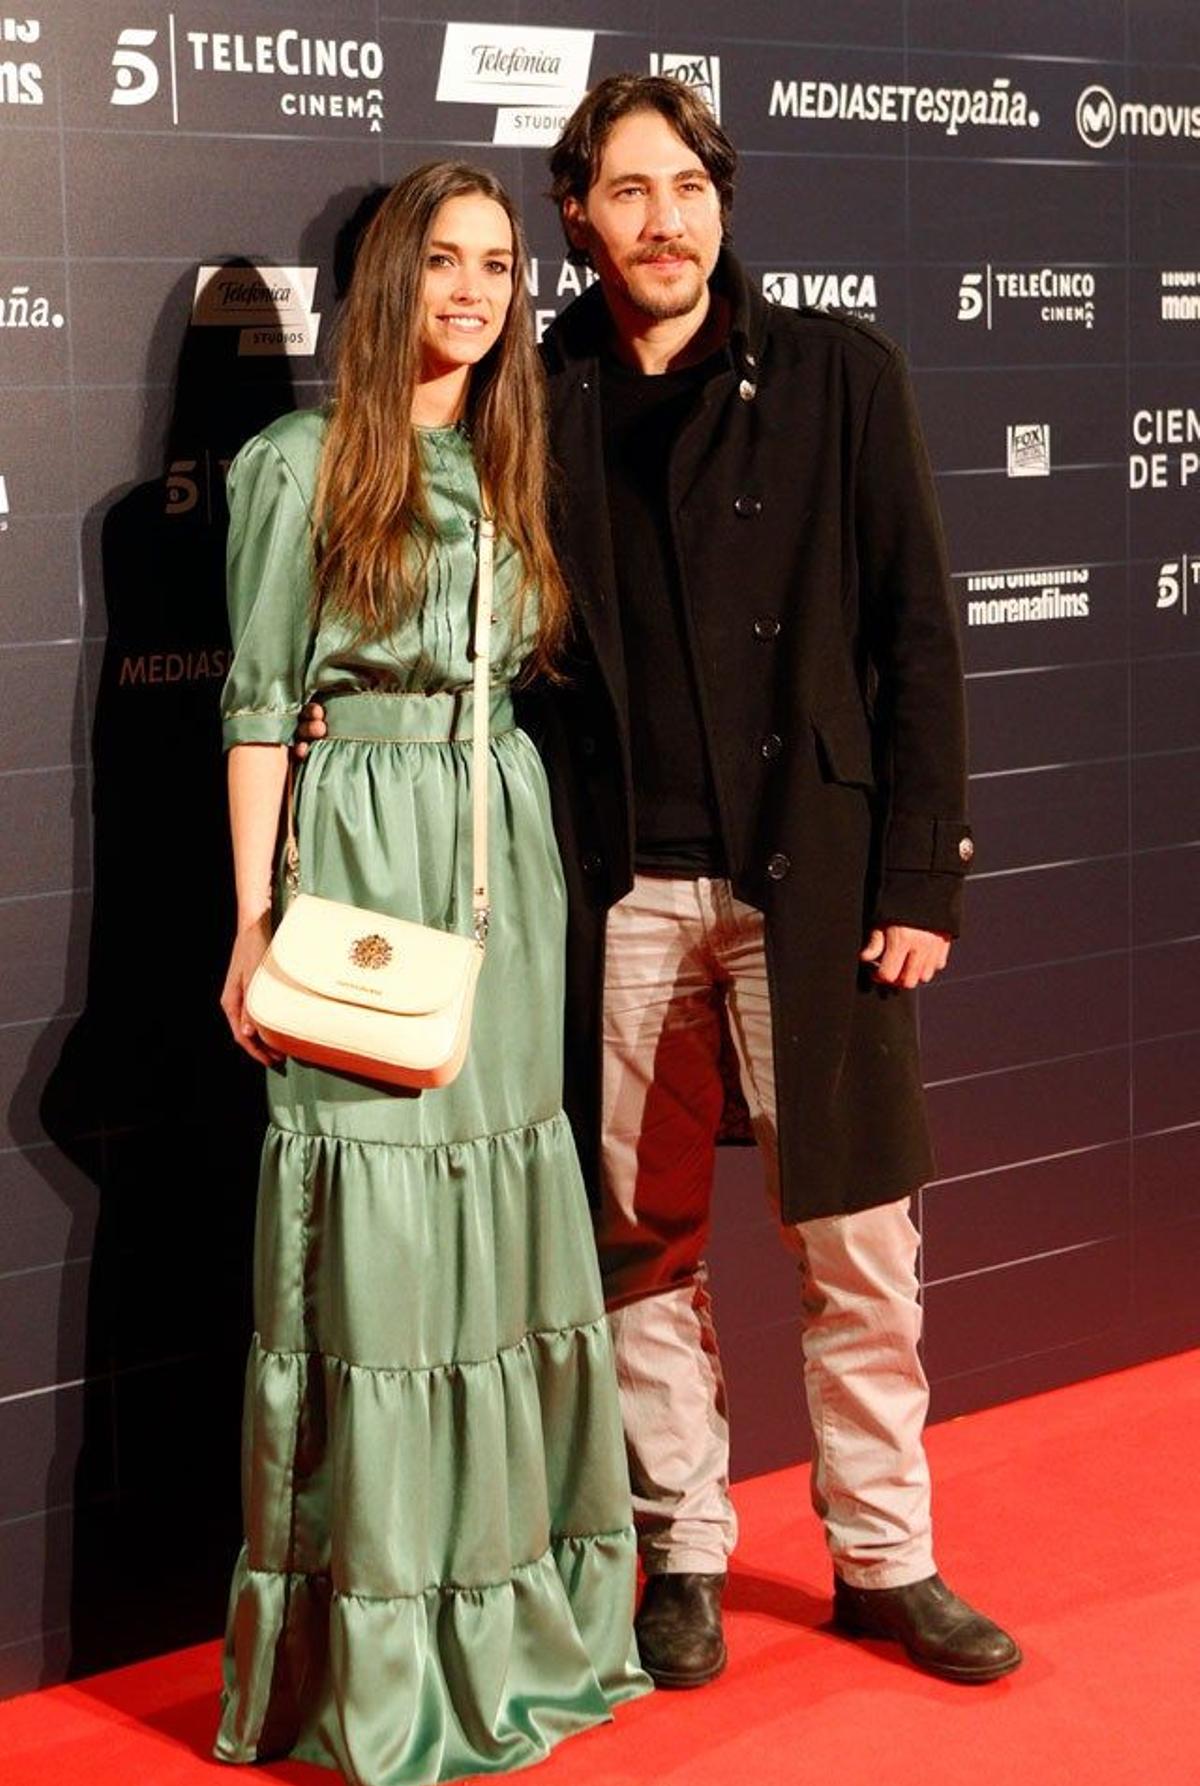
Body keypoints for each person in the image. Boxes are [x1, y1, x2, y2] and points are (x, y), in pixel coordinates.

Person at [300, 78, 1022, 1692]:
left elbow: (920, 641)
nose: (663, 220)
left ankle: (886, 1559)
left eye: (685, 185)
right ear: (579, 217)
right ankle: (680, 1549)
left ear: (724, 196)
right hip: (616, 890)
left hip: (817, 882)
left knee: (859, 1244)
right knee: (642, 1247)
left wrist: (922, 873)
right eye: (625, 193)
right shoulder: (533, 400)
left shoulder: (842, 374)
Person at [215, 161, 647, 1786]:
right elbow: (260, 705)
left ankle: (516, 1622)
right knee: (383, 1256)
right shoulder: (296, 465)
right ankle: (383, 1650)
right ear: (387, 279)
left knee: (502, 1237)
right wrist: (253, 925)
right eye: (443, 261)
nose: (473, 290)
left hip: (504, 864)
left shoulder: (513, 461)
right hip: (363, 871)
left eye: (497, 266)